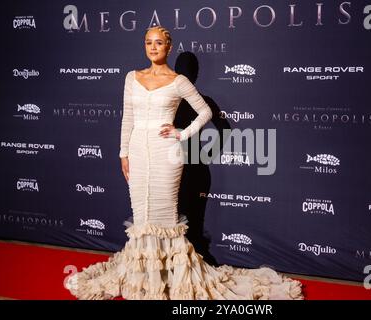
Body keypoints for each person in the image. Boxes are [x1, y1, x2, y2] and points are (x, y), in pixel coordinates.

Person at [65, 25, 303, 300]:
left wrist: (183, 133)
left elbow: (205, 112)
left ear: (169, 47)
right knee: (142, 217)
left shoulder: (178, 81)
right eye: (148, 42)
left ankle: (168, 278)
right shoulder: (132, 77)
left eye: (159, 43)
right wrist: (123, 153)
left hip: (168, 153)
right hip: (138, 153)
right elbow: (127, 118)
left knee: (164, 218)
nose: (153, 47)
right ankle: (143, 277)